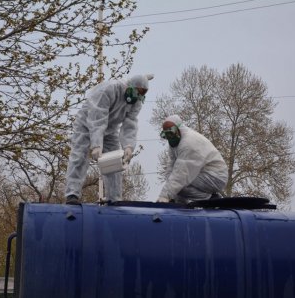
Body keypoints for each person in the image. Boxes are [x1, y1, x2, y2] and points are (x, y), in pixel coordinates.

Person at [65, 74, 154, 204]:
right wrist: (96, 144)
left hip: (110, 130)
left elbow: (130, 123)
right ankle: (72, 194)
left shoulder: (136, 102)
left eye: (142, 94)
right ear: (130, 86)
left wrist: (128, 146)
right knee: (80, 156)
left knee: (115, 162)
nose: (138, 96)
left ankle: (114, 199)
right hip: (86, 125)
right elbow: (97, 117)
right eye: (137, 92)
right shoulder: (109, 89)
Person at [157, 115, 228, 203]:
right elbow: (171, 167)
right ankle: (179, 205)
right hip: (202, 173)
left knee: (180, 182)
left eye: (171, 133)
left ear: (179, 129)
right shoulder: (174, 144)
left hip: (215, 176)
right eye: (166, 135)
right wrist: (170, 197)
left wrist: (165, 196)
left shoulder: (188, 143)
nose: (169, 137)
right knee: (175, 185)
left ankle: (210, 199)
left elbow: (180, 174)